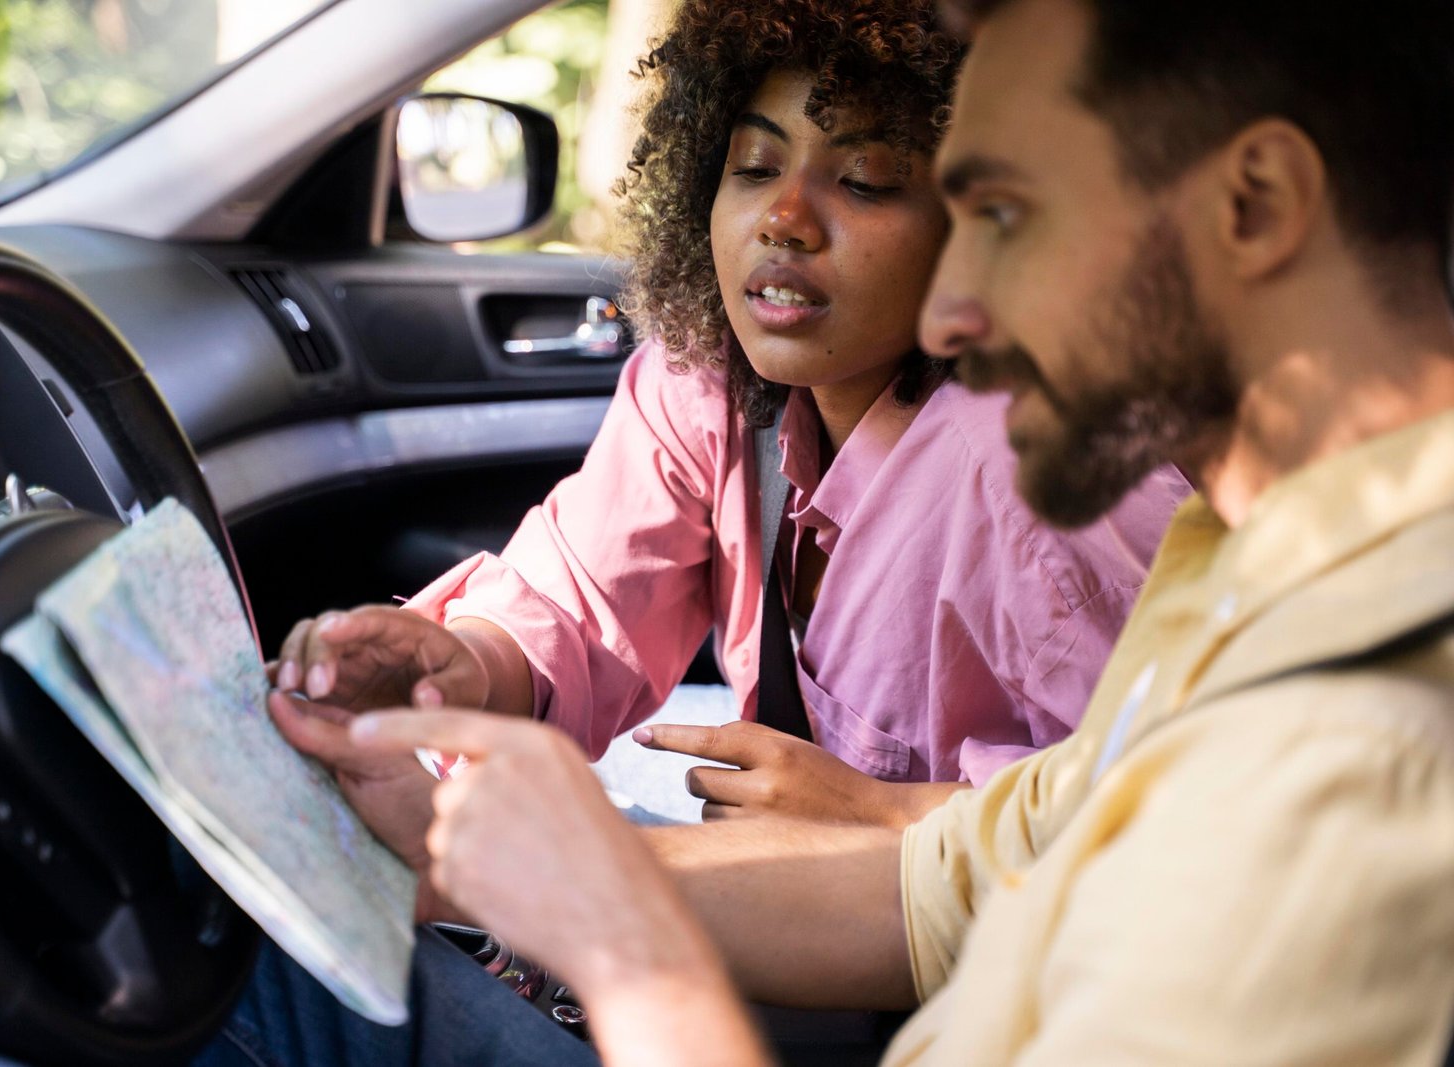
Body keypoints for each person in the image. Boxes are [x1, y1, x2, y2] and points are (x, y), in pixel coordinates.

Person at [253, 0, 1454, 1063]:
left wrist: (624, 948)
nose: (952, 305)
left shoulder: (1358, 754)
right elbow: (934, 890)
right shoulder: (1232, 582)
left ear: (1254, 206)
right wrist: (453, 857)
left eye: (1006, 213)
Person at [272, 0, 1184, 833]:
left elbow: (1182, 818)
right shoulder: (706, 380)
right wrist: (460, 663)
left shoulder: (1048, 479)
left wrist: (888, 813)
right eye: (754, 166)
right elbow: (582, 600)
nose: (784, 218)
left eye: (864, 180)